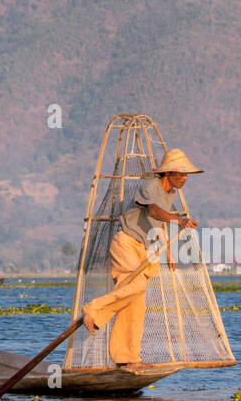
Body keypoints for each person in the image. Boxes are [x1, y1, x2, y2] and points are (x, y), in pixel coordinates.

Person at [82, 148, 201, 366]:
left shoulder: (170, 194)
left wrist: (168, 250)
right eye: (181, 174)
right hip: (126, 242)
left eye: (186, 175)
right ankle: (93, 310)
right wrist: (180, 221)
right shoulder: (151, 187)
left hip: (143, 248)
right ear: (168, 173)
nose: (185, 178)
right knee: (136, 286)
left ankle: (126, 358)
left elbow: (159, 223)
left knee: (136, 306)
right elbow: (154, 212)